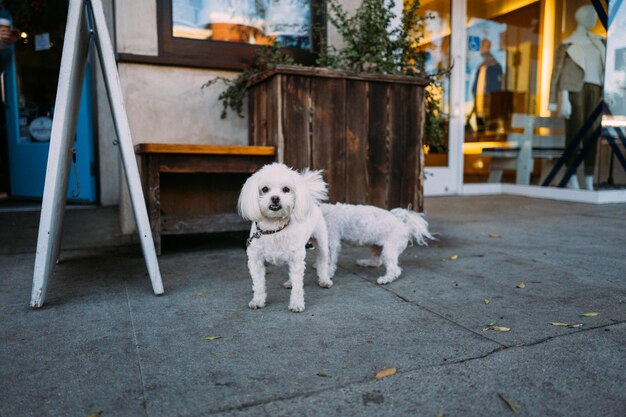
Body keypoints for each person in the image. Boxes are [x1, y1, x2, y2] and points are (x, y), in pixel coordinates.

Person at [549, 5, 605, 190]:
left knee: (591, 137)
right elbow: (558, 74)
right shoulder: (567, 45)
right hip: (574, 91)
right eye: (592, 16)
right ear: (581, 17)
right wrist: (559, 99)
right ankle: (571, 174)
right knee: (574, 135)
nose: (595, 20)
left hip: (595, 91)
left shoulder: (599, 43)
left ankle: (588, 177)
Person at [472, 38, 503, 132]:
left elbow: (498, 87)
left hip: (490, 103)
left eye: (484, 46)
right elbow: (475, 88)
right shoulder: (481, 67)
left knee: (491, 129)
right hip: (479, 101)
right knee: (480, 128)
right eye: (481, 46)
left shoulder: (495, 66)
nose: (481, 49)